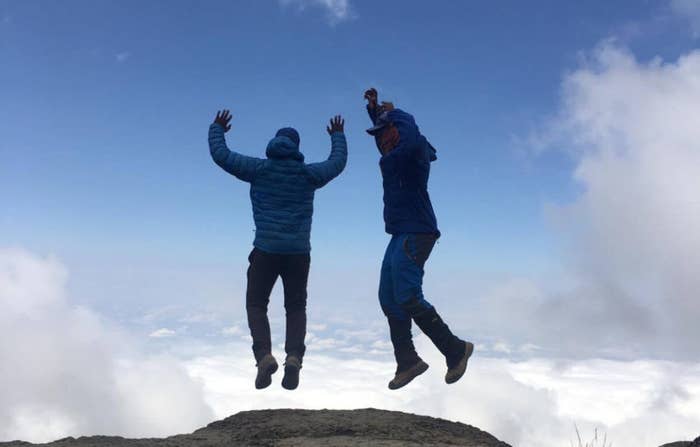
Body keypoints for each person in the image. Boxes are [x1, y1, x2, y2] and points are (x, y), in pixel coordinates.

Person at [208, 109, 347, 390]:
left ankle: (263, 357)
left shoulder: (259, 169)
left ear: (274, 143)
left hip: (265, 251)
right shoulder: (308, 174)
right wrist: (337, 136)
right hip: (298, 254)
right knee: (295, 307)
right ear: (297, 147)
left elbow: (222, 156)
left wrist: (217, 128)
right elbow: (337, 163)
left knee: (256, 304)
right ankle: (294, 357)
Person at [363, 88, 474, 390]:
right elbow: (387, 137)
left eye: (385, 134)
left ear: (397, 130)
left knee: (408, 294)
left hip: (417, 230)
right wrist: (375, 111)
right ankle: (408, 361)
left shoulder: (412, 153)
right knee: (389, 297)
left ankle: (456, 349)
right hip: (400, 232)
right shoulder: (393, 153)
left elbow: (408, 133)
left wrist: (394, 113)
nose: (381, 140)